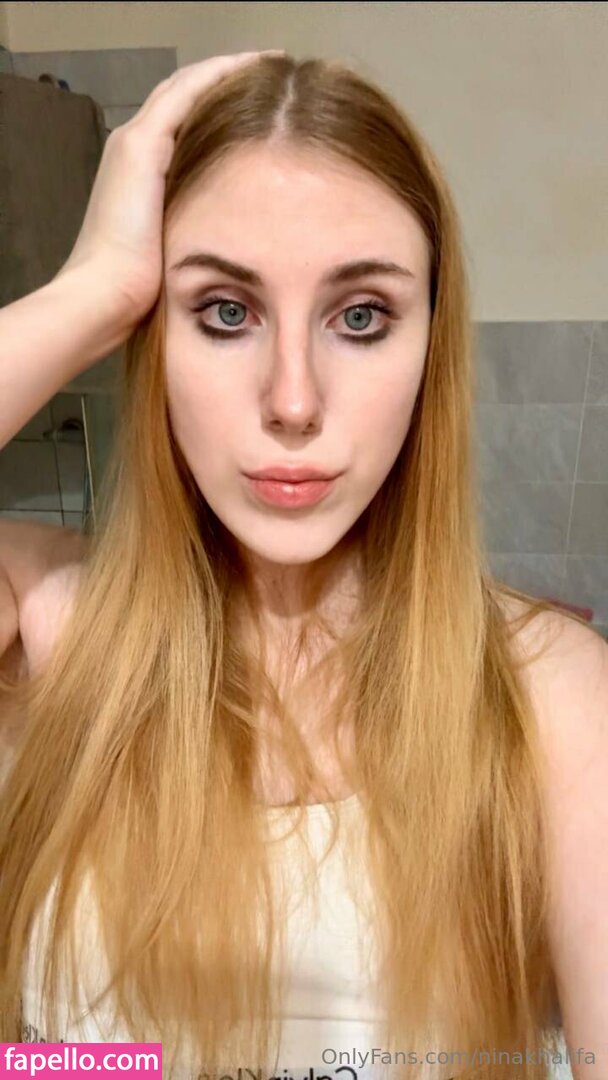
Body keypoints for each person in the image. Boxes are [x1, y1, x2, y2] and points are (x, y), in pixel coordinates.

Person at [0, 49, 606, 1080]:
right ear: (151, 332)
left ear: (428, 346)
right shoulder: (46, 618)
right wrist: (90, 292)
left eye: (360, 317)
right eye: (224, 312)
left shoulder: (550, 693)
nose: (292, 401)